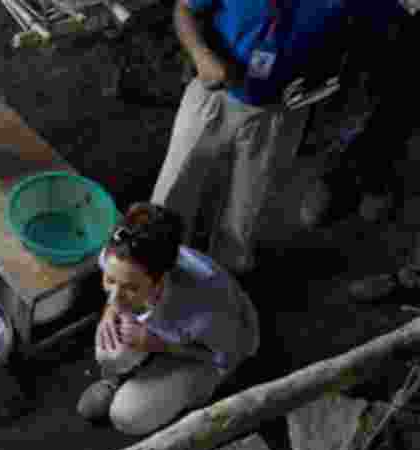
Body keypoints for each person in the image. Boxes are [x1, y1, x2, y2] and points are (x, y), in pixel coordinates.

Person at [152, 0, 360, 276]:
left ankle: (223, 280)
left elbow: (361, 40)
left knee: (248, 206)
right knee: (175, 189)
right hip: (215, 95)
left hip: (282, 109)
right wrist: (201, 56)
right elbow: (185, 9)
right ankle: (153, 267)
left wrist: (326, 80)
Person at [77, 203, 260, 435]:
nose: (114, 298)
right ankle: (113, 380)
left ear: (161, 279)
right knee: (109, 351)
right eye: (110, 280)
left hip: (206, 353)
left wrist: (159, 344)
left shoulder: (207, 308)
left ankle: (181, 391)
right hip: (161, 323)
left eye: (130, 288)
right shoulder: (119, 254)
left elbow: (224, 356)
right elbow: (118, 289)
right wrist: (108, 314)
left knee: (126, 416)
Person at [301, 0, 419, 228]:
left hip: (401, 60)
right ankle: (343, 179)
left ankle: (374, 179)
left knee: (392, 120)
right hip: (367, 41)